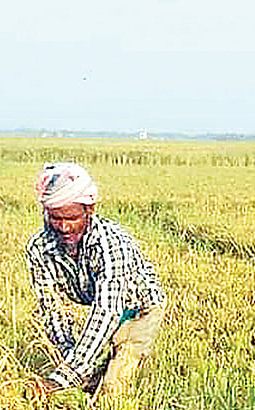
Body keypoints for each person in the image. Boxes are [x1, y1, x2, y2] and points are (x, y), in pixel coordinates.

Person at [26, 162, 166, 396]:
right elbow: (51, 308)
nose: (64, 227)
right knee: (86, 381)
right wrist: (68, 356)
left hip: (139, 310)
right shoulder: (39, 248)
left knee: (112, 388)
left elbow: (107, 311)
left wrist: (64, 377)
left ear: (89, 210)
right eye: (55, 218)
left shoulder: (112, 244)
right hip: (100, 307)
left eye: (72, 218)